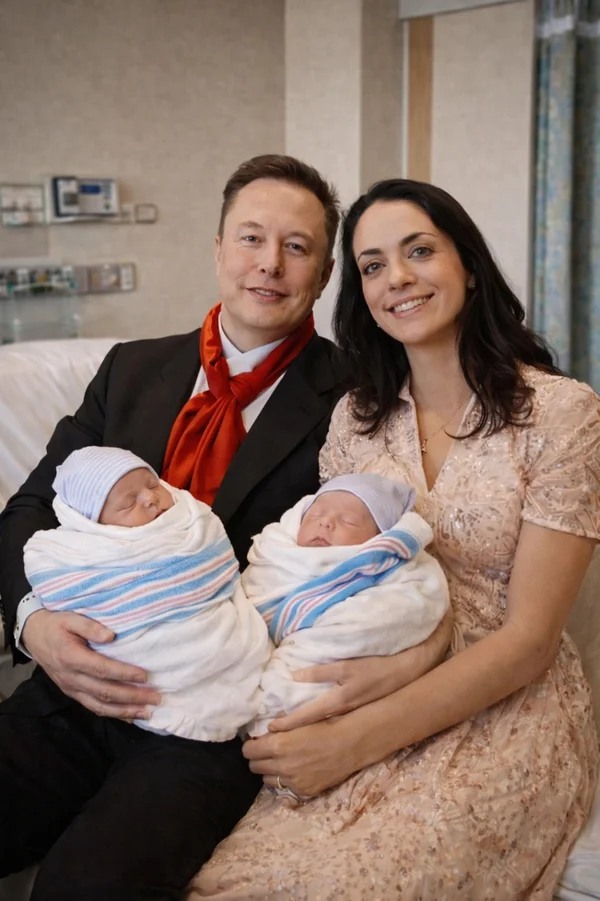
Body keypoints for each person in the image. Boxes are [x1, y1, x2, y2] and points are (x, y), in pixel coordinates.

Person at [0, 156, 450, 901]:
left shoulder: (358, 397)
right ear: (218, 249)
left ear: (323, 273)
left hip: (212, 724)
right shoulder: (129, 370)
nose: (269, 263)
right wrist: (32, 623)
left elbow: (381, 563)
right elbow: (27, 510)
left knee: (83, 885)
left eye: (297, 247)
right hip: (74, 682)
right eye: (250, 238)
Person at [188, 178, 600, 900]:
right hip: (364, 657)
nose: (397, 278)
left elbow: (531, 640)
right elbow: (318, 572)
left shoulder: (562, 414)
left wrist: (356, 739)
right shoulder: (356, 417)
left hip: (501, 701)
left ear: (469, 266)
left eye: (420, 251)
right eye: (373, 265)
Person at [24, 445, 270, 741]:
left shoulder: (189, 519)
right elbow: (32, 523)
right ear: (93, 524)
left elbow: (213, 552)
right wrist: (31, 621)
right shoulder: (86, 552)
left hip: (211, 654)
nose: (151, 498)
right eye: (129, 503)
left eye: (153, 484)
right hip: (89, 677)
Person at [244, 472, 450, 740]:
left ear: (379, 537)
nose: (326, 523)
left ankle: (278, 702)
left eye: (348, 521)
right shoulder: (277, 555)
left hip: (328, 644)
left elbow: (394, 611)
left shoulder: (384, 566)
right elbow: (247, 595)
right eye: (315, 515)